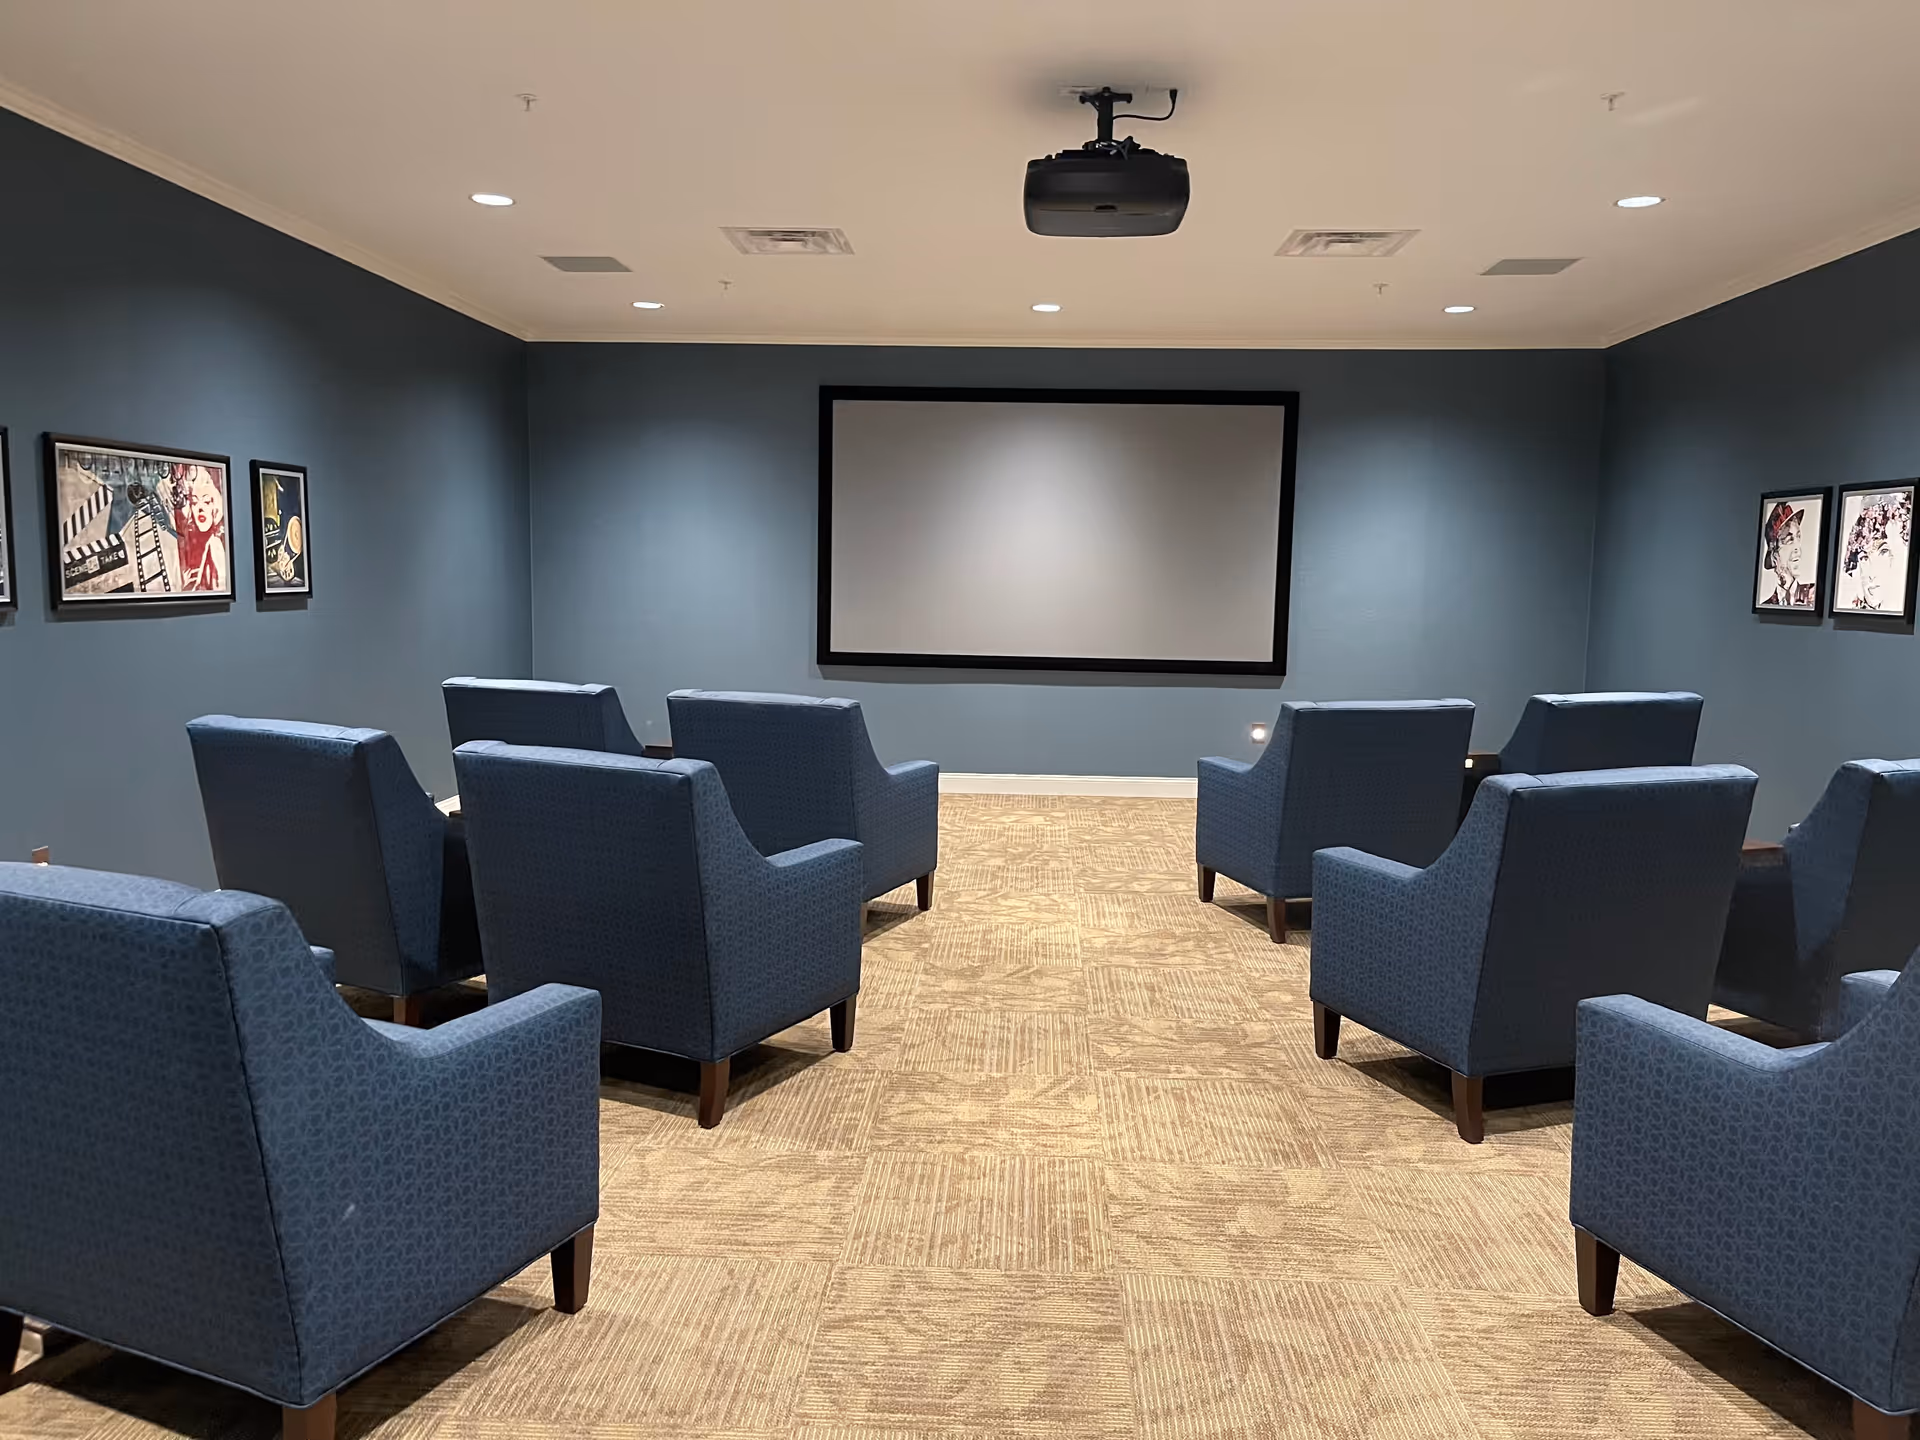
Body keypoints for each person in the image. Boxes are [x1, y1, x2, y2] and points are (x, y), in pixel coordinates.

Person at [172, 464, 227, 593]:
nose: (200, 509)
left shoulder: (217, 545)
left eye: (206, 502)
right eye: (195, 503)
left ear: (215, 507)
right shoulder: (188, 546)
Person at [1759, 499, 1815, 608]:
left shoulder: (1813, 595)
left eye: (1798, 537)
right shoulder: (1767, 606)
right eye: (1789, 540)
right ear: (1774, 555)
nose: (1797, 548)